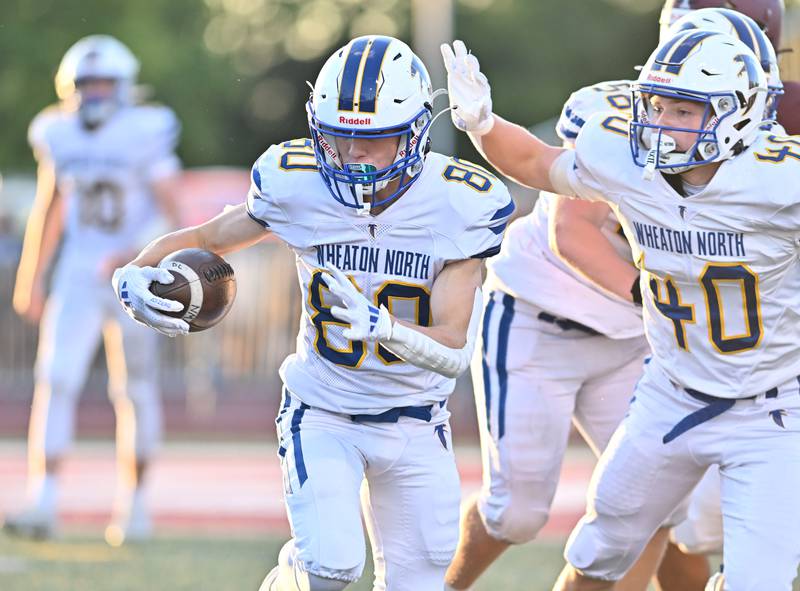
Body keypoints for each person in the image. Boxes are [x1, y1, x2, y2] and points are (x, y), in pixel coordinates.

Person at [111, 35, 514, 591]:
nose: (353, 156)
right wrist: (136, 270)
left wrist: (384, 328)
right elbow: (208, 236)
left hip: (418, 420)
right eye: (340, 138)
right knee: (331, 568)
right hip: (323, 410)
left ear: (416, 133)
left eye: (374, 140)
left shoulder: (460, 203)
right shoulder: (297, 182)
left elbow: (451, 346)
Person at [442, 23, 800, 591]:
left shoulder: (783, 182)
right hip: (671, 393)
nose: (662, 123)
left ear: (739, 113)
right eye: (659, 105)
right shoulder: (631, 162)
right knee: (599, 549)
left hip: (772, 409)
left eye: (686, 111)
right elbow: (539, 163)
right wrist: (483, 125)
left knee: (760, 579)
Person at [6, 34, 182, 546]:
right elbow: (49, 205)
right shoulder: (57, 133)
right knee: (55, 379)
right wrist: (32, 274)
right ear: (69, 88)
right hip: (80, 272)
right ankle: (43, 498)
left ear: (125, 87)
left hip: (137, 269)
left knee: (134, 388)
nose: (95, 92)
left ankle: (136, 504)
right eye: (86, 83)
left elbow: (173, 210)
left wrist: (142, 252)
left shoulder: (145, 131)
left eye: (105, 82)